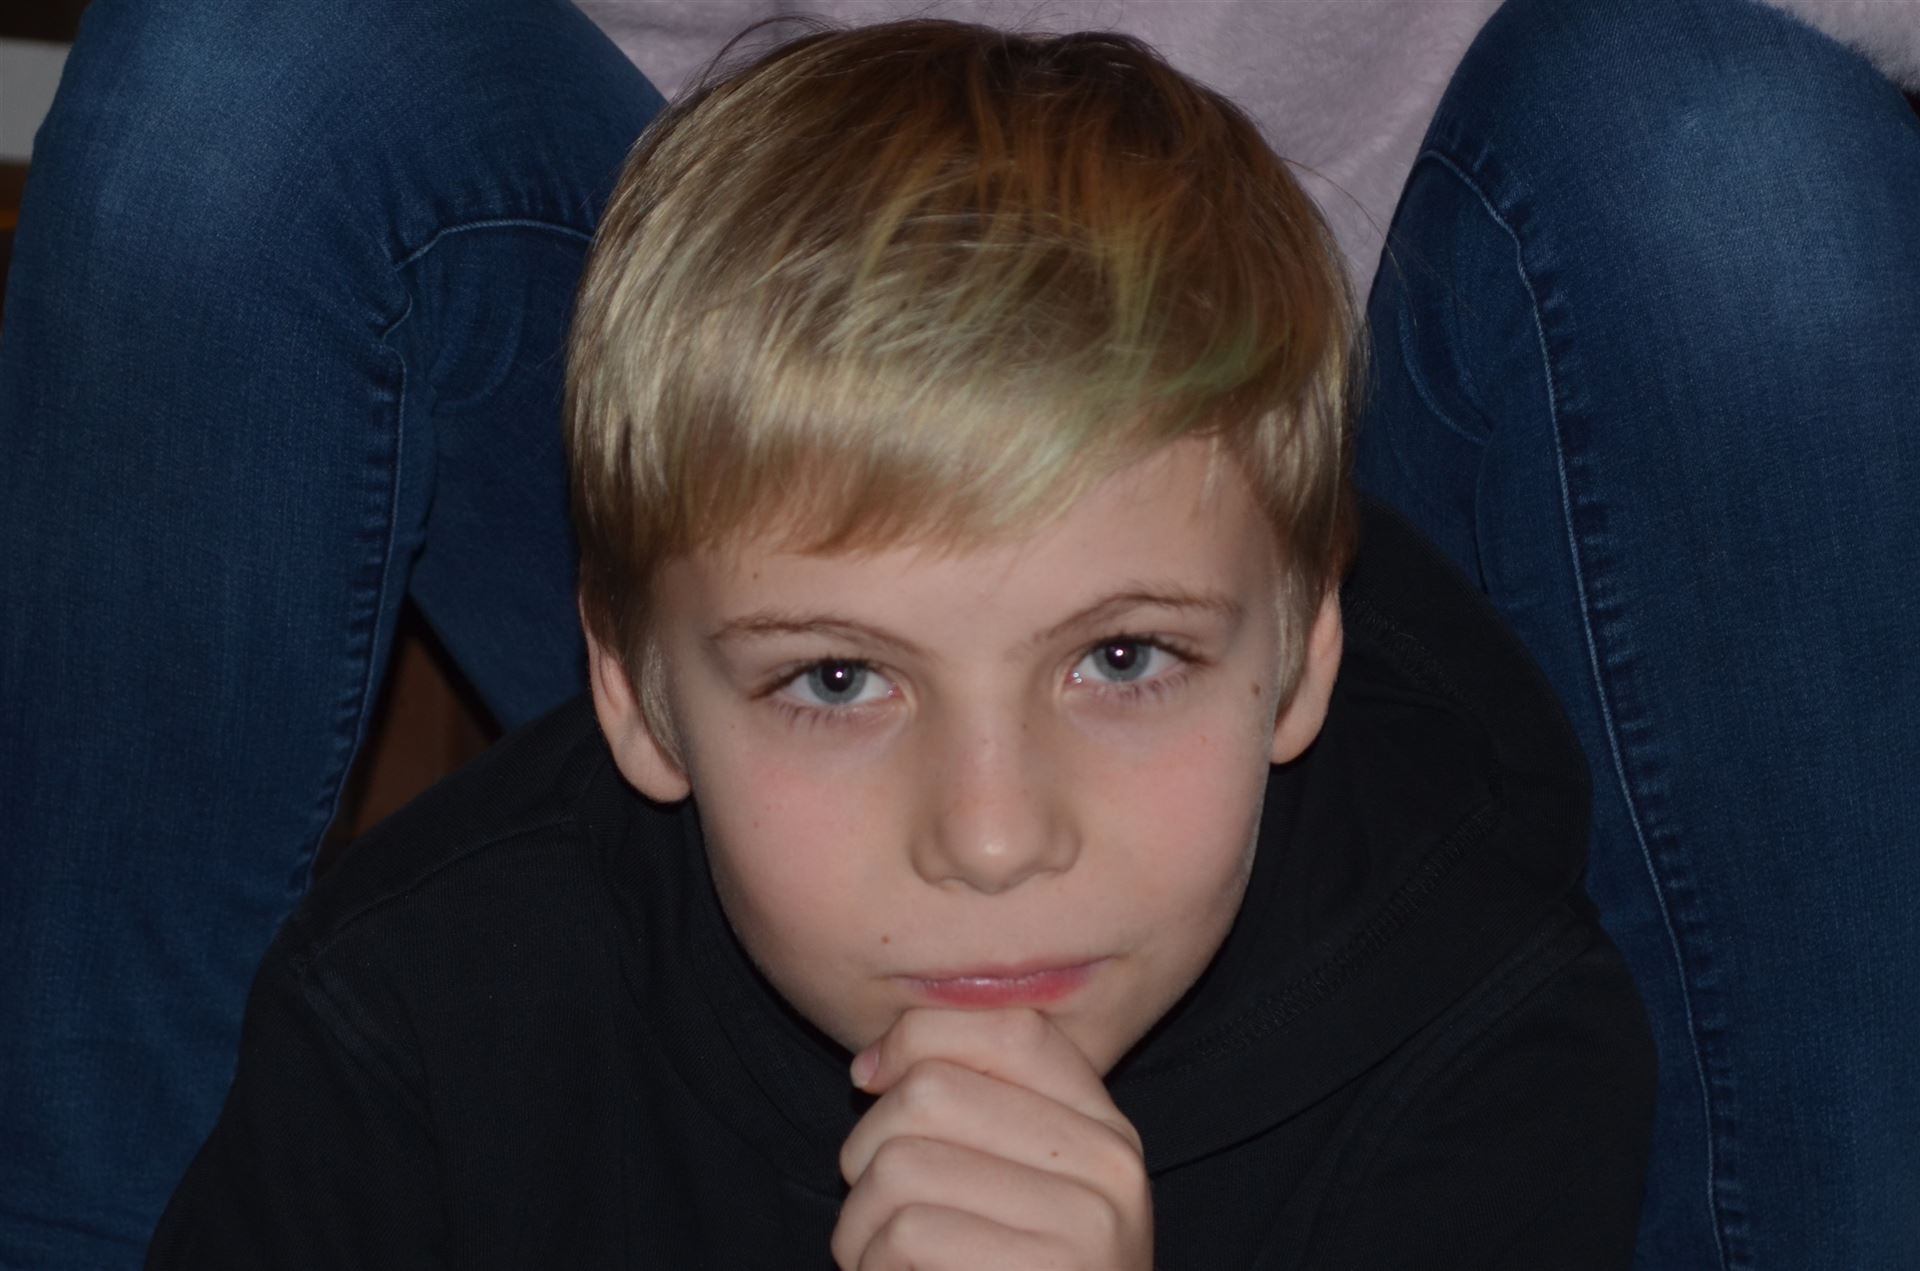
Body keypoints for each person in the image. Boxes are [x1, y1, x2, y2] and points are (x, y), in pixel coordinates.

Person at [6, 1, 1916, 1267]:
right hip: (767, 291)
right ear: (634, 696)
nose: (993, 836)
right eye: (837, 682)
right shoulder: (410, 1032)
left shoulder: (1492, 1054)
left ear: (1304, 659)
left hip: (1306, 369)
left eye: (1121, 663)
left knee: (1739, 160)